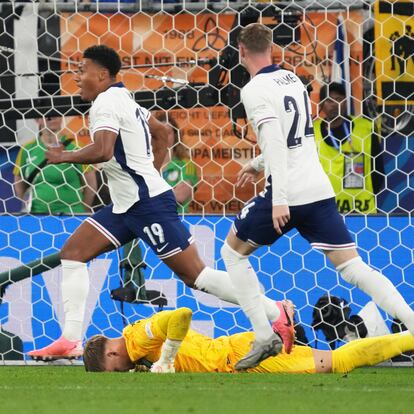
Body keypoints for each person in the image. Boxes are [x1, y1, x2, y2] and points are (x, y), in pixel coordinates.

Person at [27, 45, 291, 361]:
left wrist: (64, 156)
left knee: (197, 276)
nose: (78, 79)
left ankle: (273, 311)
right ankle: (70, 340)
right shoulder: (124, 98)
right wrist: (154, 170)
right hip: (127, 206)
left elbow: (103, 150)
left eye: (82, 71)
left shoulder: (106, 104)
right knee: (73, 253)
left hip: (147, 206)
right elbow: (162, 132)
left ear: (101, 74)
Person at [220, 23, 414, 370]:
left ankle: (264, 334)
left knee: (232, 253)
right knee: (354, 267)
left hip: (287, 191)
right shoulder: (293, 80)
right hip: (317, 189)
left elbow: (279, 142)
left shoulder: (253, 89)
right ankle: (413, 326)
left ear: (241, 51)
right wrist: (259, 162)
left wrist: (278, 197)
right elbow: (300, 137)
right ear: (272, 48)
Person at [83, 306, 414, 374]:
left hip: (234, 359)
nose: (121, 375)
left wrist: (167, 357)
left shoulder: (137, 339)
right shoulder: (137, 350)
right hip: (234, 358)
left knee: (337, 362)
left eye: (115, 371)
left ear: (112, 355)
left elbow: (180, 315)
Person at [314, 82, 384, 214]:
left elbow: (378, 171)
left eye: (339, 99)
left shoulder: (365, 128)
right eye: (329, 100)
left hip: (362, 209)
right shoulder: (312, 132)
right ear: (321, 104)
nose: (334, 104)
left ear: (346, 102)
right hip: (325, 212)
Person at [13, 116, 97, 214]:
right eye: (47, 115)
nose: (52, 118)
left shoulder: (77, 147)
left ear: (62, 117)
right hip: (37, 215)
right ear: (37, 119)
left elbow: (91, 186)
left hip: (71, 214)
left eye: (55, 114)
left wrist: (82, 211)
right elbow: (19, 184)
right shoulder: (26, 149)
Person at [157, 112, 198, 214]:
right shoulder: (146, 165)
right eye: (160, 133)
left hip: (177, 220)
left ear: (175, 136)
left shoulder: (186, 164)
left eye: (168, 132)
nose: (164, 137)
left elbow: (180, 196)